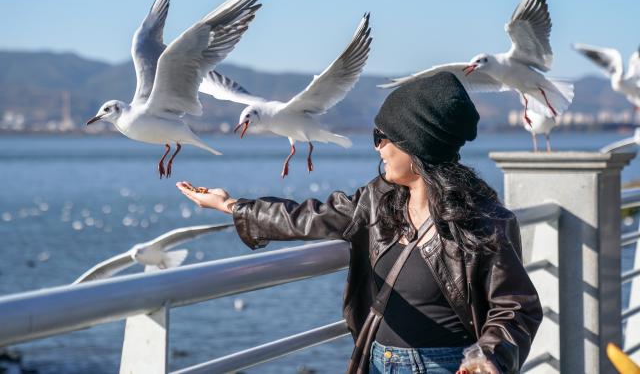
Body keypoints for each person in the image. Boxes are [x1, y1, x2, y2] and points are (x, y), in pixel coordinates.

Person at [177, 72, 543, 374]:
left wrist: (487, 357)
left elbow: (516, 306)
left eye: (383, 138)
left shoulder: (482, 219)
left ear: (417, 146)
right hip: (379, 361)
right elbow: (309, 217)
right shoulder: (377, 200)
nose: (377, 147)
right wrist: (232, 205)